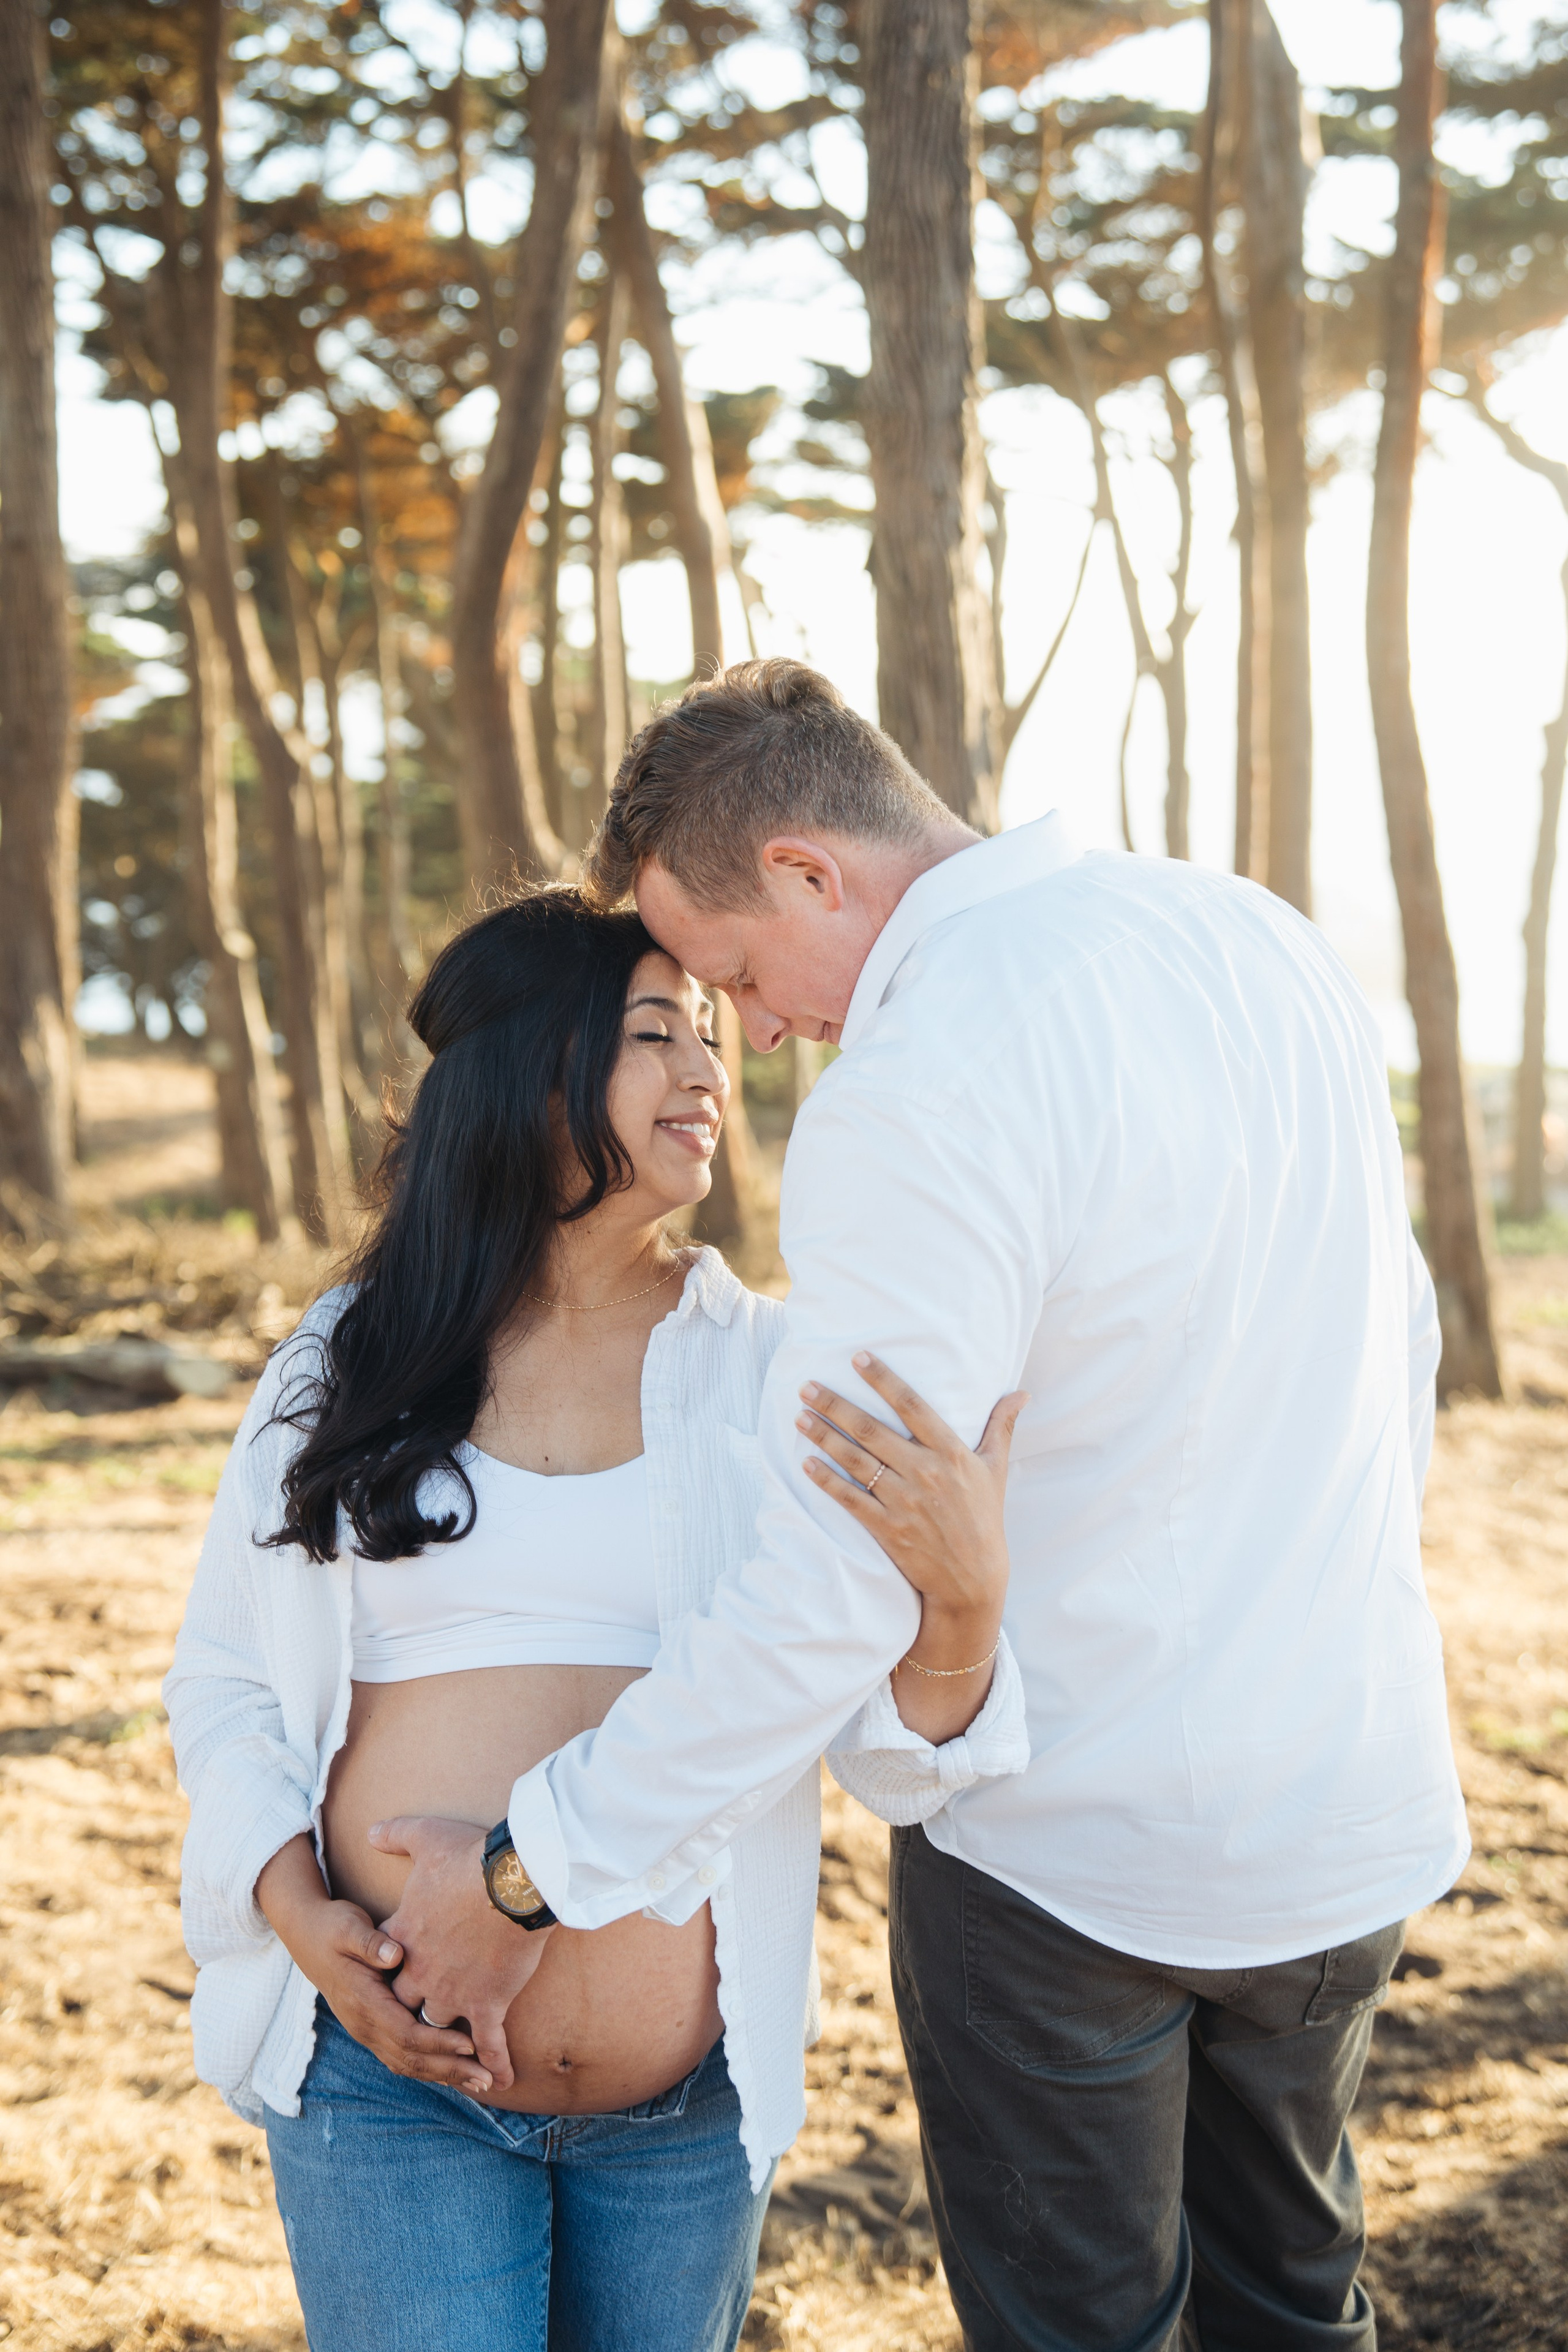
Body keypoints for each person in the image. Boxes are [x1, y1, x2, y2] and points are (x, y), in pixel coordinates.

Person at [380, 662, 1471, 2352]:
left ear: (808, 870)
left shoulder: (917, 1084)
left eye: (741, 973)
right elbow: (1398, 1344)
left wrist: (534, 1870)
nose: (762, 1029)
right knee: (1297, 2312)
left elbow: (833, 1585)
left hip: (1072, 1866)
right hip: (1344, 1813)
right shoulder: (1254, 937)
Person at [162, 888, 1031, 2352]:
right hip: (391, 2087)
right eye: (653, 1035)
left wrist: (964, 1601)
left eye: (710, 1034)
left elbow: (896, 1760)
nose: (708, 1071)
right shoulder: (348, 1357)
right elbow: (226, 1677)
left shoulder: (770, 1372)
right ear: (528, 1069)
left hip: (677, 2118)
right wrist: (298, 1917)